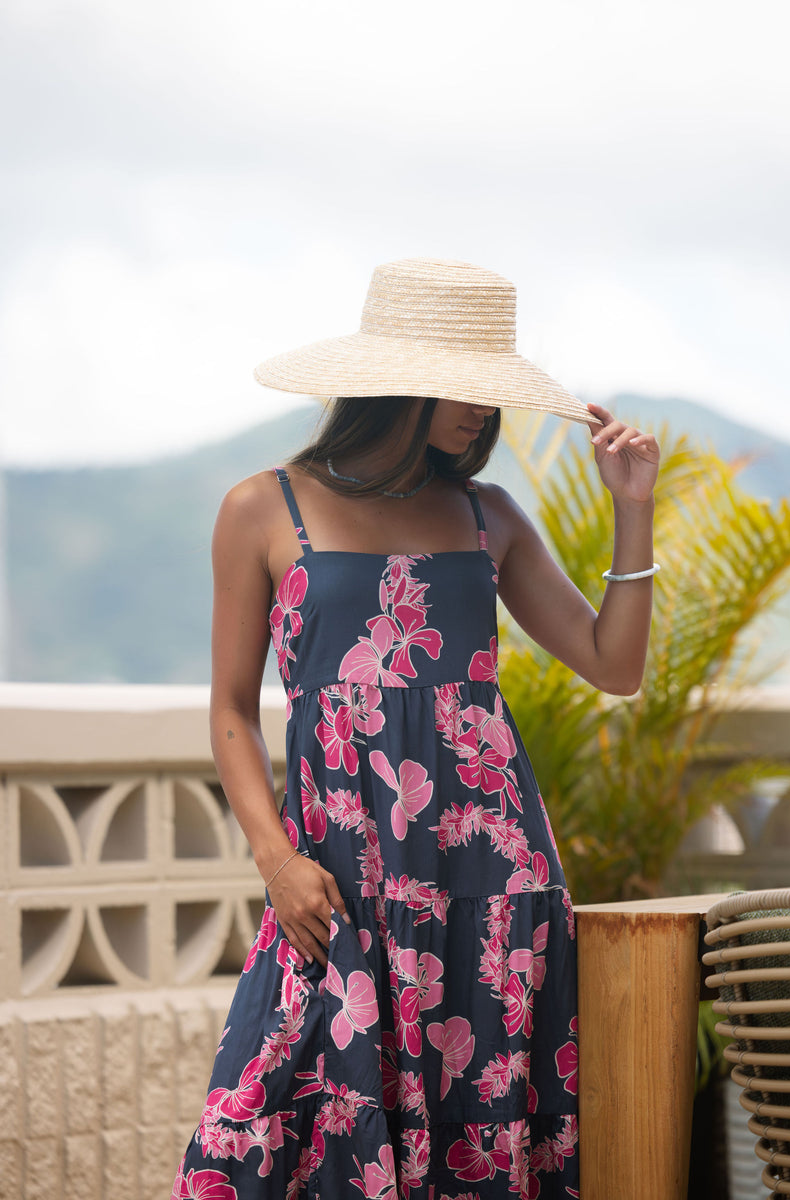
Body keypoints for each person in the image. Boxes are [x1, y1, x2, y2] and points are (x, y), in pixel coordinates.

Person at [171, 258, 660, 1200]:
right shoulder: (261, 508)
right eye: (467, 390)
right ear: (401, 382)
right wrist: (277, 862)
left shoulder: (488, 516)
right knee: (268, 1123)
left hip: (491, 881)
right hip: (338, 876)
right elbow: (231, 708)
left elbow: (614, 665)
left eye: (492, 393)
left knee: (477, 1137)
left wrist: (630, 510)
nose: (484, 413)